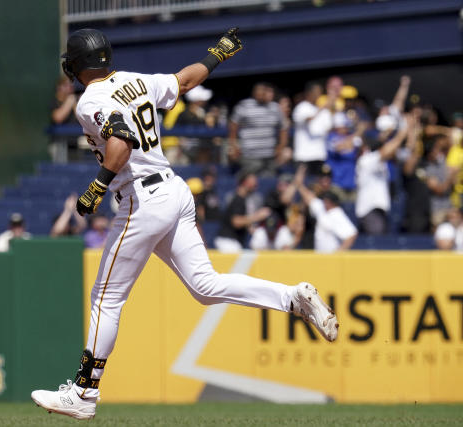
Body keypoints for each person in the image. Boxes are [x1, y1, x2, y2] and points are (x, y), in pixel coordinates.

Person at [30, 28, 338, 421]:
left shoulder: (89, 100)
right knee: (205, 286)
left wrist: (97, 185)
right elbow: (185, 80)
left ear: (75, 65)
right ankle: (293, 297)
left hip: (141, 200)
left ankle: (84, 393)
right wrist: (217, 54)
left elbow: (121, 138)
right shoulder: (137, 80)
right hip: (174, 191)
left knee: (106, 298)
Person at [355, 124, 409, 235]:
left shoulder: (376, 161)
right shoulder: (366, 159)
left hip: (377, 208)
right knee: (376, 244)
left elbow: (402, 153)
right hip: (370, 208)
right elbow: (386, 151)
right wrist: (403, 132)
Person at [228, 82, 289, 175]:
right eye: (258, 91)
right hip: (248, 154)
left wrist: (281, 146)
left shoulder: (275, 107)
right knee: (250, 176)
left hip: (269, 154)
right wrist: (234, 144)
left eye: (262, 91)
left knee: (269, 178)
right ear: (254, 92)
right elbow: (233, 125)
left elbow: (283, 127)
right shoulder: (244, 105)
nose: (260, 94)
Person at [297, 175, 358, 253]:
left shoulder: (337, 214)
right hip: (320, 258)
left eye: (327, 201)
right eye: (325, 200)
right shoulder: (322, 208)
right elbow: (310, 198)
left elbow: (352, 234)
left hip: (331, 259)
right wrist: (299, 185)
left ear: (333, 202)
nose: (325, 202)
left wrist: (338, 253)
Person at [214, 172, 269, 252]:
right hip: (228, 241)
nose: (256, 184)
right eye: (252, 181)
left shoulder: (242, 199)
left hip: (233, 241)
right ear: (244, 183)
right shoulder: (238, 199)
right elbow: (236, 222)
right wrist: (257, 216)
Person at [292, 82, 335, 176]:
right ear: (309, 93)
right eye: (316, 92)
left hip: (319, 154)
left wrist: (331, 108)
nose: (318, 95)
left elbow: (329, 129)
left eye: (320, 93)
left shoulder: (324, 111)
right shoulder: (302, 107)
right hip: (304, 155)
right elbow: (308, 119)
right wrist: (322, 108)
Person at [174, 85, 215, 164]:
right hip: (185, 151)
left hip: (203, 150)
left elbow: (211, 129)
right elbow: (176, 131)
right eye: (202, 100)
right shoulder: (184, 114)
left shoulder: (206, 113)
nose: (204, 101)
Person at [49, 76, 79, 163]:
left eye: (71, 86)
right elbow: (58, 118)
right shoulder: (55, 101)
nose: (70, 88)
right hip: (59, 144)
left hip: (74, 143)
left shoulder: (75, 101)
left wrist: (74, 104)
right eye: (66, 85)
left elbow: (82, 119)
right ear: (59, 87)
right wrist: (69, 102)